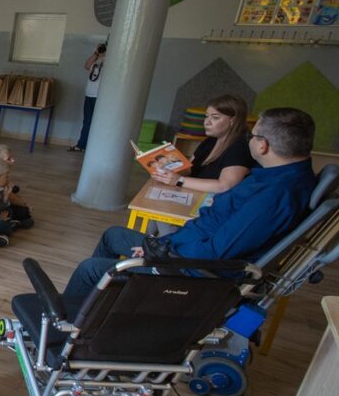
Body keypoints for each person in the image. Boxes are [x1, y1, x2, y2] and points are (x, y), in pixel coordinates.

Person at [64, 107, 318, 297]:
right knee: (112, 235)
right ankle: (101, 303)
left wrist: (161, 252)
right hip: (181, 249)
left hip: (189, 270)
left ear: (262, 146)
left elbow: (217, 253)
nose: (248, 139)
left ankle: (67, 328)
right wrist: (163, 244)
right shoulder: (282, 179)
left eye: (252, 134)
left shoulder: (274, 196)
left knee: (90, 269)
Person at [152, 94, 255, 194]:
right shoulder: (211, 140)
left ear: (233, 120)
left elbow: (225, 186)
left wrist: (179, 180)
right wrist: (166, 173)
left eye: (215, 117)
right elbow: (189, 169)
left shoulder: (241, 146)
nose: (206, 122)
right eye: (206, 116)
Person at [68, 42, 105, 152]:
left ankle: (94, 146)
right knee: (87, 121)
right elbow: (87, 65)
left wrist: (106, 55)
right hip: (90, 94)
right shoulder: (97, 60)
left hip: (99, 96)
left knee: (97, 122)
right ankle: (81, 145)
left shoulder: (108, 61)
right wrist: (97, 53)